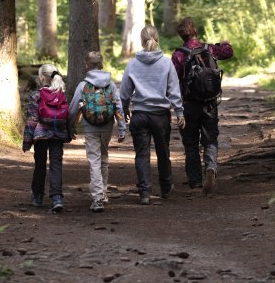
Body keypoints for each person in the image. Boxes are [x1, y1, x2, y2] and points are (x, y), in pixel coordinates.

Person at [120, 25, 185, 205]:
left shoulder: (132, 64)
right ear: (157, 39)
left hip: (140, 115)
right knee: (163, 152)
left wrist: (124, 111)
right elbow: (174, 90)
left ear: (141, 41)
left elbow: (124, 94)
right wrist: (179, 111)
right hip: (160, 116)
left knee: (142, 154)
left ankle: (145, 193)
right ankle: (166, 188)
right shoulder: (166, 62)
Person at [171, 17, 233, 194]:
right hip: (209, 103)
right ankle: (211, 167)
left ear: (181, 36)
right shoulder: (209, 49)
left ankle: (195, 182)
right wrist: (225, 43)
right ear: (195, 32)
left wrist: (175, 106)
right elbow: (228, 52)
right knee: (210, 139)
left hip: (188, 105)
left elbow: (173, 81)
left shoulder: (178, 55)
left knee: (190, 144)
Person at [68, 51, 126, 213]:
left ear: (87, 65)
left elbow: (73, 109)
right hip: (107, 125)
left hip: (90, 126)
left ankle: (97, 197)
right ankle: (104, 193)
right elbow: (118, 106)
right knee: (104, 157)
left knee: (94, 159)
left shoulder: (83, 85)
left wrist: (70, 126)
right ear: (102, 65)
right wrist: (121, 128)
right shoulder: (111, 84)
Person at [22, 64, 71, 212]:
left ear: (41, 77)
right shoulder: (61, 94)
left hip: (40, 135)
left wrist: (27, 141)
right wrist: (68, 133)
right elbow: (67, 116)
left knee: (40, 165)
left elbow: (32, 120)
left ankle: (37, 196)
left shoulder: (35, 95)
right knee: (56, 165)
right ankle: (56, 198)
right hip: (57, 135)